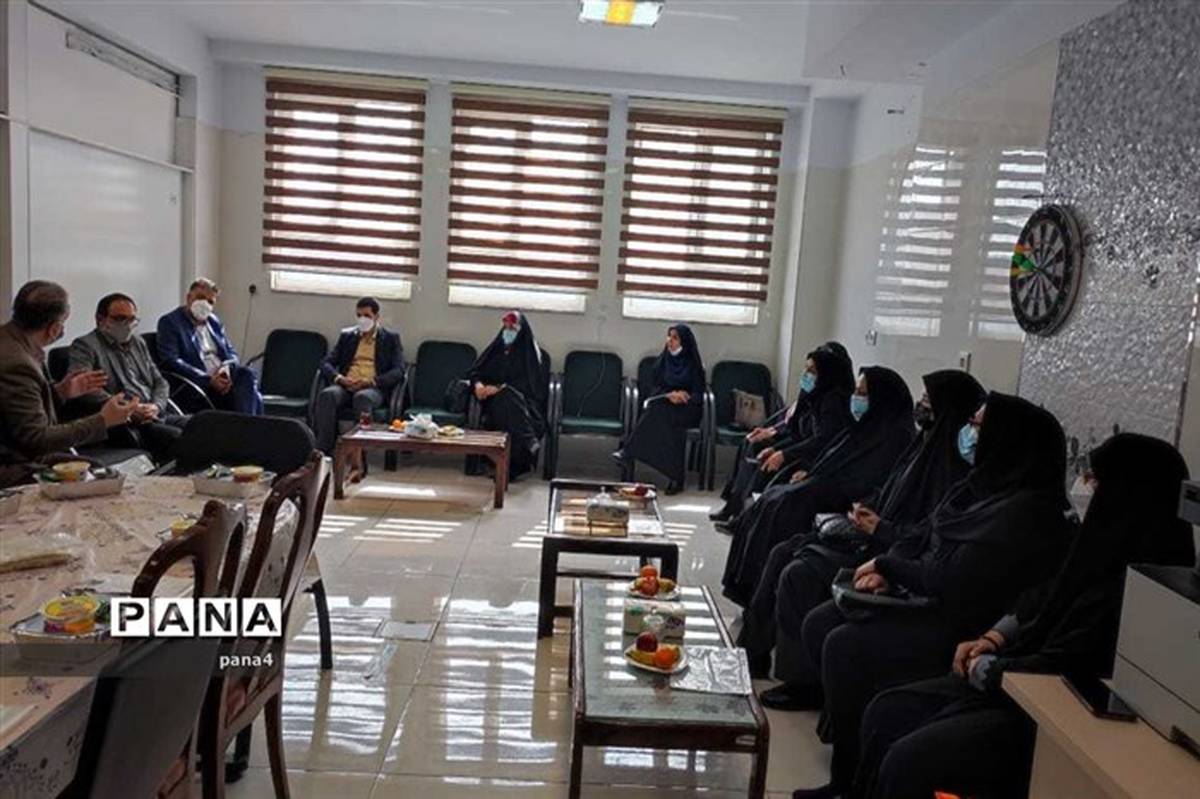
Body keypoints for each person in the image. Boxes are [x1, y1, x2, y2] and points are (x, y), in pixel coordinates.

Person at [852, 433, 1194, 799]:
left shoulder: (1149, 593)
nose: (1086, 488)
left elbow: (1072, 661)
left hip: (1050, 707)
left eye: (1096, 480)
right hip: (1012, 669)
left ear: (1129, 494)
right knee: (887, 711)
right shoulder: (1096, 549)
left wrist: (991, 668)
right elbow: (1042, 597)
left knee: (910, 761)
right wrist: (994, 637)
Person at [791, 393, 1073, 798]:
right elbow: (923, 534)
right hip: (923, 599)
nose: (968, 433)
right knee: (822, 621)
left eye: (977, 426)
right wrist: (889, 568)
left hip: (958, 625)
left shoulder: (1026, 512)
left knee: (844, 646)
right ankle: (847, 765)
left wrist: (889, 566)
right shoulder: (976, 486)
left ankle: (849, 781)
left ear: (1006, 439)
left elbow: (952, 578)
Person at [741, 370, 984, 691]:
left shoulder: (953, 469)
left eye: (928, 400)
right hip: (872, 538)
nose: (921, 405)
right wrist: (868, 508)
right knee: (783, 550)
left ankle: (800, 681)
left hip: (892, 555)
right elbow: (888, 491)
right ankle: (752, 652)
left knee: (798, 572)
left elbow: (928, 536)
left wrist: (881, 528)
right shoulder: (923, 446)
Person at [721, 366, 914, 606]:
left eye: (863, 394)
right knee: (770, 501)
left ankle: (753, 602)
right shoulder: (862, 426)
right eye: (856, 391)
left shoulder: (895, 439)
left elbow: (866, 484)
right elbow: (831, 456)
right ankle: (743, 588)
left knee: (782, 509)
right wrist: (810, 473)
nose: (855, 398)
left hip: (841, 507)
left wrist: (814, 481)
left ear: (881, 399)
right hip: (824, 490)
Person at [0, 281, 135, 486]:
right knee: (101, 478)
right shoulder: (18, 363)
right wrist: (103, 420)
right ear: (54, 329)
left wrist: (61, 392)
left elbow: (18, 412)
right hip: (13, 465)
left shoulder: (11, 340)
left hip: (19, 452)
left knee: (98, 469)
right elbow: (36, 439)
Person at [711, 342, 855, 524]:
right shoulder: (811, 393)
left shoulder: (833, 402)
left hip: (812, 456)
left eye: (812, 371)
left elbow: (820, 440)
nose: (806, 375)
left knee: (764, 464)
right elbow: (795, 426)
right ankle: (735, 506)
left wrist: (782, 453)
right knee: (753, 443)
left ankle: (744, 517)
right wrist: (773, 435)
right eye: (806, 369)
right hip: (798, 443)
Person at [67, 292, 188, 464]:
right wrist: (130, 409)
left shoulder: (138, 343)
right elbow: (85, 388)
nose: (127, 325)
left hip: (156, 412)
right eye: (120, 319)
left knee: (203, 423)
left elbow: (160, 381)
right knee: (180, 438)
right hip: (127, 423)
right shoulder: (85, 346)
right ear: (100, 319)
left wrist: (156, 405)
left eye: (132, 319)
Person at [613, 324, 706, 495]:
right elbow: (654, 389)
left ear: (684, 342)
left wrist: (684, 396)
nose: (670, 340)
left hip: (687, 411)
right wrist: (669, 394)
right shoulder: (662, 363)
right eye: (669, 336)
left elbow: (699, 396)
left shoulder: (693, 365)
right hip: (665, 406)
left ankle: (628, 451)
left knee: (658, 414)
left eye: (675, 337)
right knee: (662, 416)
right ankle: (675, 477)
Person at [156, 278, 263, 415]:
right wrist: (208, 380)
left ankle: (245, 424)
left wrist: (226, 369)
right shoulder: (170, 322)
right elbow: (171, 360)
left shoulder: (214, 321)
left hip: (222, 377)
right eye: (200, 297)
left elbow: (231, 352)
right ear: (188, 298)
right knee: (253, 396)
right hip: (198, 384)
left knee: (247, 374)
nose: (204, 304)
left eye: (210, 302)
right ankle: (247, 425)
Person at [313, 297, 405, 455]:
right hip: (345, 385)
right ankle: (324, 451)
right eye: (359, 315)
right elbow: (325, 362)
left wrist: (370, 381)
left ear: (376, 316)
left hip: (372, 388)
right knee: (327, 395)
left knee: (362, 398)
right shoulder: (347, 336)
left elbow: (399, 370)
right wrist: (339, 378)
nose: (363, 319)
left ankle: (359, 455)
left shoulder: (390, 338)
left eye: (367, 316)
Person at [466, 310, 548, 480]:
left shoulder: (530, 355)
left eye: (513, 329)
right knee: (506, 403)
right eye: (506, 328)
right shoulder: (495, 350)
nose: (508, 332)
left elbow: (533, 388)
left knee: (509, 397)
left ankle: (506, 466)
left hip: (524, 405)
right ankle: (527, 442)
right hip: (492, 402)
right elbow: (475, 372)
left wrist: (499, 388)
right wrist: (478, 385)